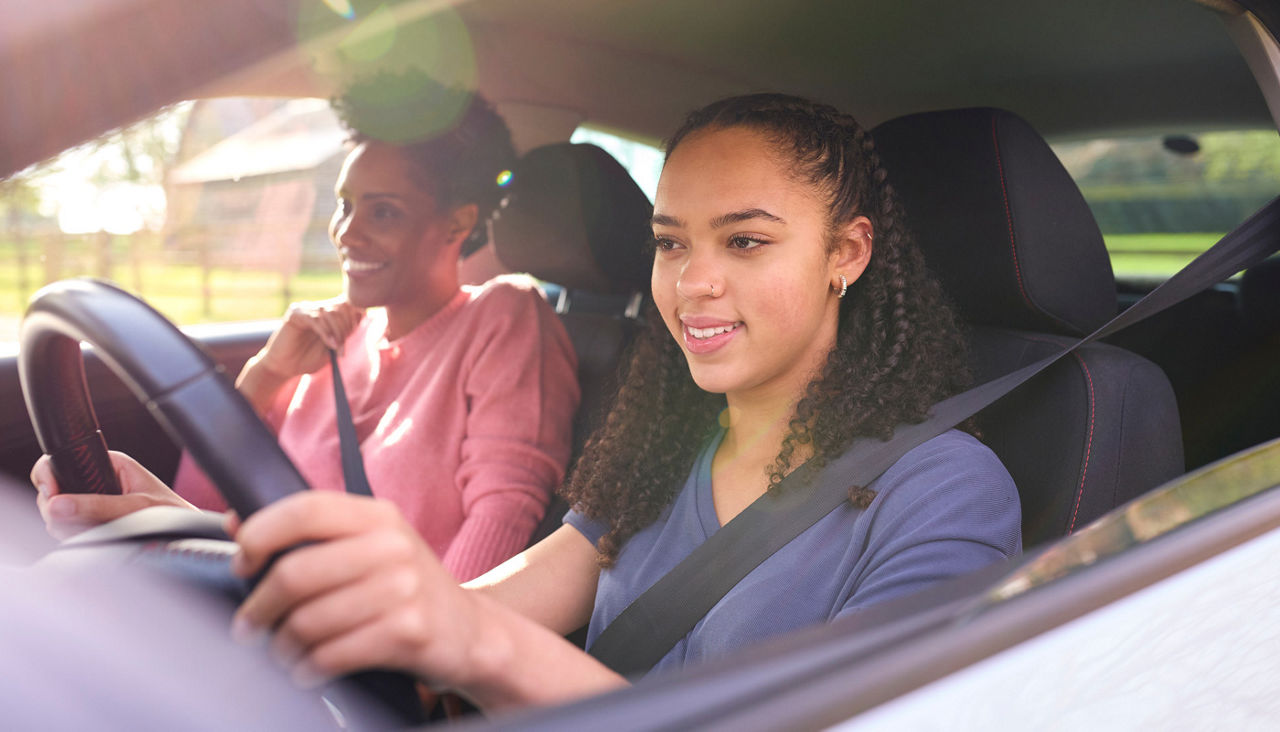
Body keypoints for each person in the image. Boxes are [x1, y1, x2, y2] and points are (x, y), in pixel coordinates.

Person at [34, 93, 1020, 711]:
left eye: (746, 242)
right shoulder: (659, 446)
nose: (692, 284)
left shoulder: (943, 490)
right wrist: (201, 537)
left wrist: (469, 642)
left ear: (845, 253)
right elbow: (460, 615)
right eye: (672, 242)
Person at [33, 73, 581, 582]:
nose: (347, 233)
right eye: (344, 205)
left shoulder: (504, 316)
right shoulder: (325, 340)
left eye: (383, 212)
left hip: (373, 666)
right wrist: (266, 374)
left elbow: (504, 511)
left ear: (458, 222)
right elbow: (208, 510)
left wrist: (427, 671)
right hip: (258, 615)